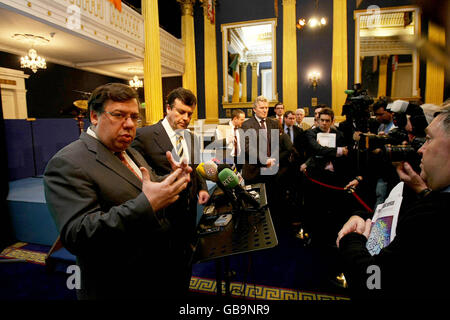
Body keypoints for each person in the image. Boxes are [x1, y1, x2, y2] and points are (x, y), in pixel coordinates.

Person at [44, 83, 192, 300]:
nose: (130, 124)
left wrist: (172, 178)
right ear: (94, 117)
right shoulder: (67, 162)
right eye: (119, 115)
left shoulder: (128, 150)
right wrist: (147, 205)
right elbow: (78, 235)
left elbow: (143, 186)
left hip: (154, 274)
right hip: (115, 285)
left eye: (134, 117)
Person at [337, 106, 450, 299]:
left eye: (429, 139)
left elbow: (375, 280)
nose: (421, 149)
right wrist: (422, 191)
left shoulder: (430, 218)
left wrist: (351, 239)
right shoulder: (430, 199)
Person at [131, 87, 209, 296]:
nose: (186, 118)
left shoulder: (192, 138)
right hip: (161, 219)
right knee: (162, 275)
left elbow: (195, 168)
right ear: (168, 108)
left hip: (188, 214)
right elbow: (137, 177)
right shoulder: (144, 136)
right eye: (181, 112)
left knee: (185, 266)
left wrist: (201, 188)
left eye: (190, 114)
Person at [241, 96, 279, 209]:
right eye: (262, 108)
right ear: (254, 109)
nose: (265, 110)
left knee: (271, 202)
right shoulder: (246, 125)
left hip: (271, 170)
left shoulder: (273, 123)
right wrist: (264, 160)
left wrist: (273, 160)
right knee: (255, 205)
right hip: (254, 171)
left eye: (266, 107)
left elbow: (276, 144)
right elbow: (247, 147)